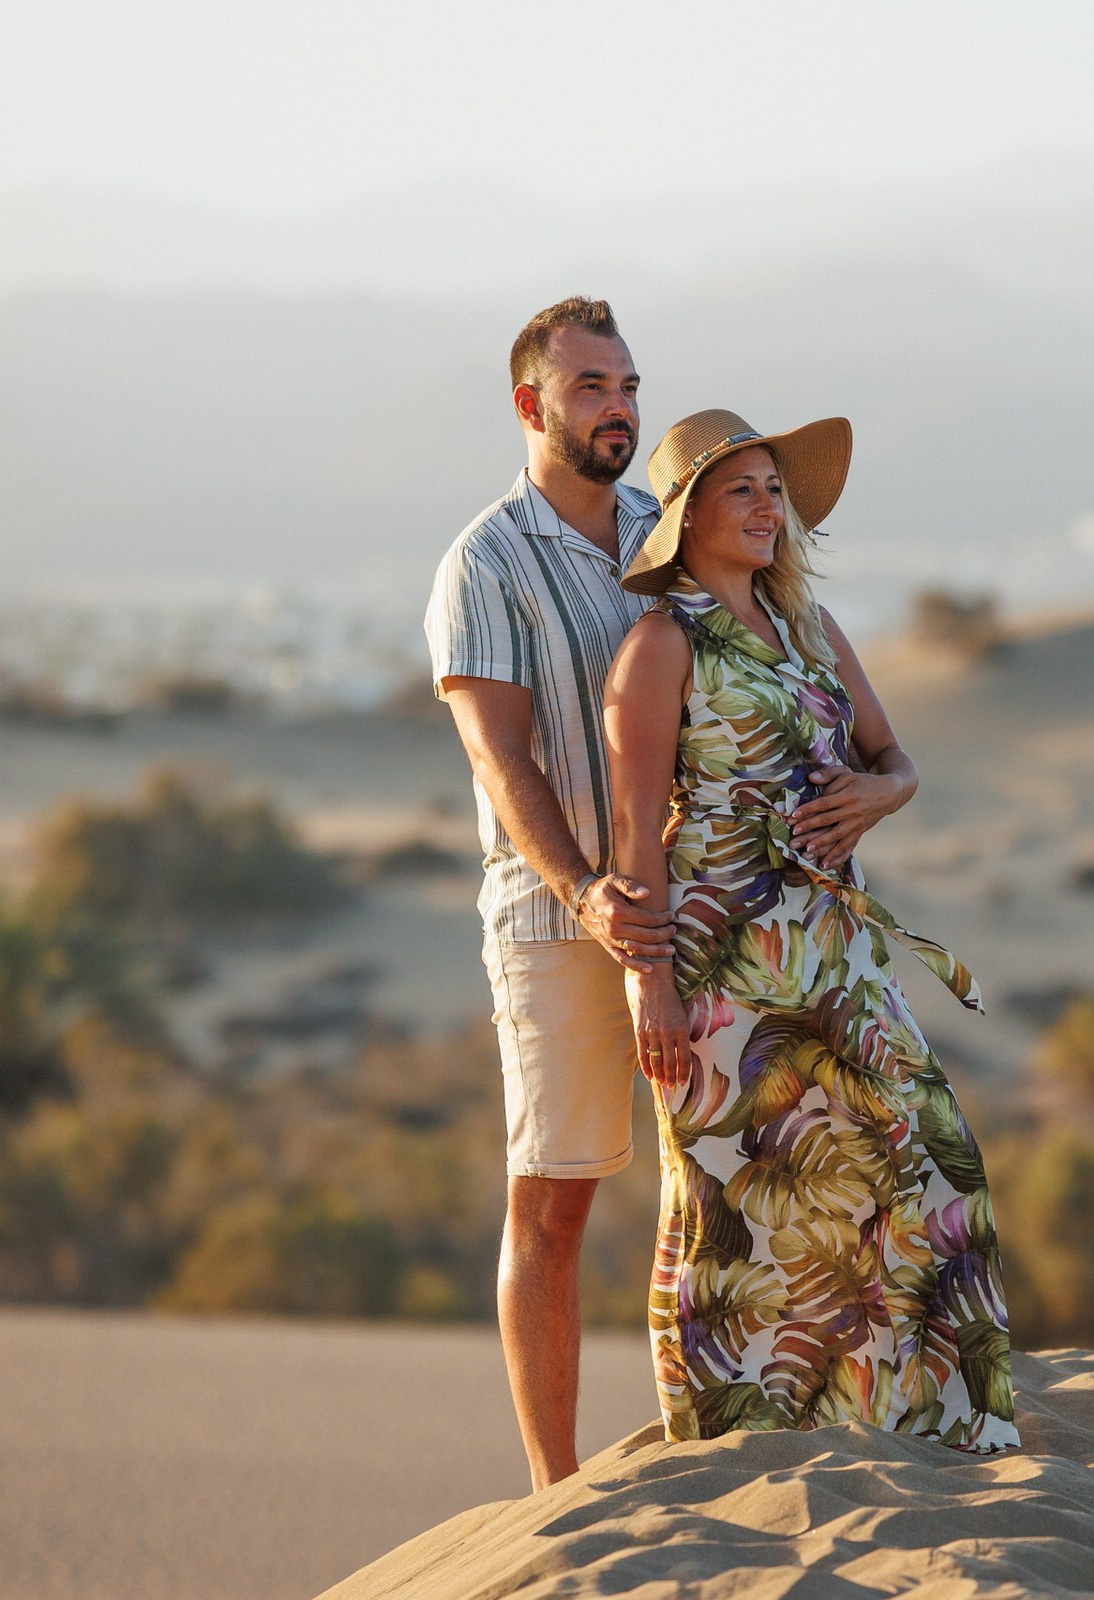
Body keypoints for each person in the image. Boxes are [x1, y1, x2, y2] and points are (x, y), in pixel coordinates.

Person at [603, 409, 1019, 1453]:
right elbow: (632, 841)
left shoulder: (813, 630)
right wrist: (648, 989)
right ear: (687, 516)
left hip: (838, 952)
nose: (764, 507)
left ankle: (925, 1423)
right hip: (718, 968)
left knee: (932, 1162)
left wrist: (870, 802)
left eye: (772, 489)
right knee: (737, 1205)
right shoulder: (659, 649)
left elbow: (897, 762)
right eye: (738, 488)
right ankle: (733, 1446)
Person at [423, 297, 676, 1489]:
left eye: (625, 383)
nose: (617, 405)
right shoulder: (483, 561)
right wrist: (583, 895)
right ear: (531, 405)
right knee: (553, 1207)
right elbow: (499, 756)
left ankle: (734, 1428)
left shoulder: (666, 527)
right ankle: (553, 1496)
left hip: (689, 915)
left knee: (727, 1173)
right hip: (553, 919)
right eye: (589, 387)